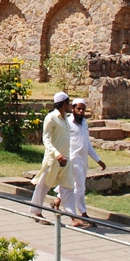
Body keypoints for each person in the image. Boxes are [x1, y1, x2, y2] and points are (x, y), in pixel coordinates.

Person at [59, 98, 106, 227]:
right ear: (72, 109)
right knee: (79, 187)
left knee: (72, 185)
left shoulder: (84, 123)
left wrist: (98, 160)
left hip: (83, 160)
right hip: (72, 160)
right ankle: (83, 214)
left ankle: (57, 201)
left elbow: (87, 144)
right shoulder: (67, 123)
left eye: (83, 109)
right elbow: (63, 141)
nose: (81, 111)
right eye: (78, 109)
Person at [30, 91, 74, 225]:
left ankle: (74, 216)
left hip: (65, 159)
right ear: (64, 103)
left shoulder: (66, 118)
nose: (70, 105)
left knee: (68, 186)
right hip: (53, 159)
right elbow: (46, 139)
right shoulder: (51, 118)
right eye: (68, 102)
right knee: (43, 185)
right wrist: (56, 154)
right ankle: (36, 212)